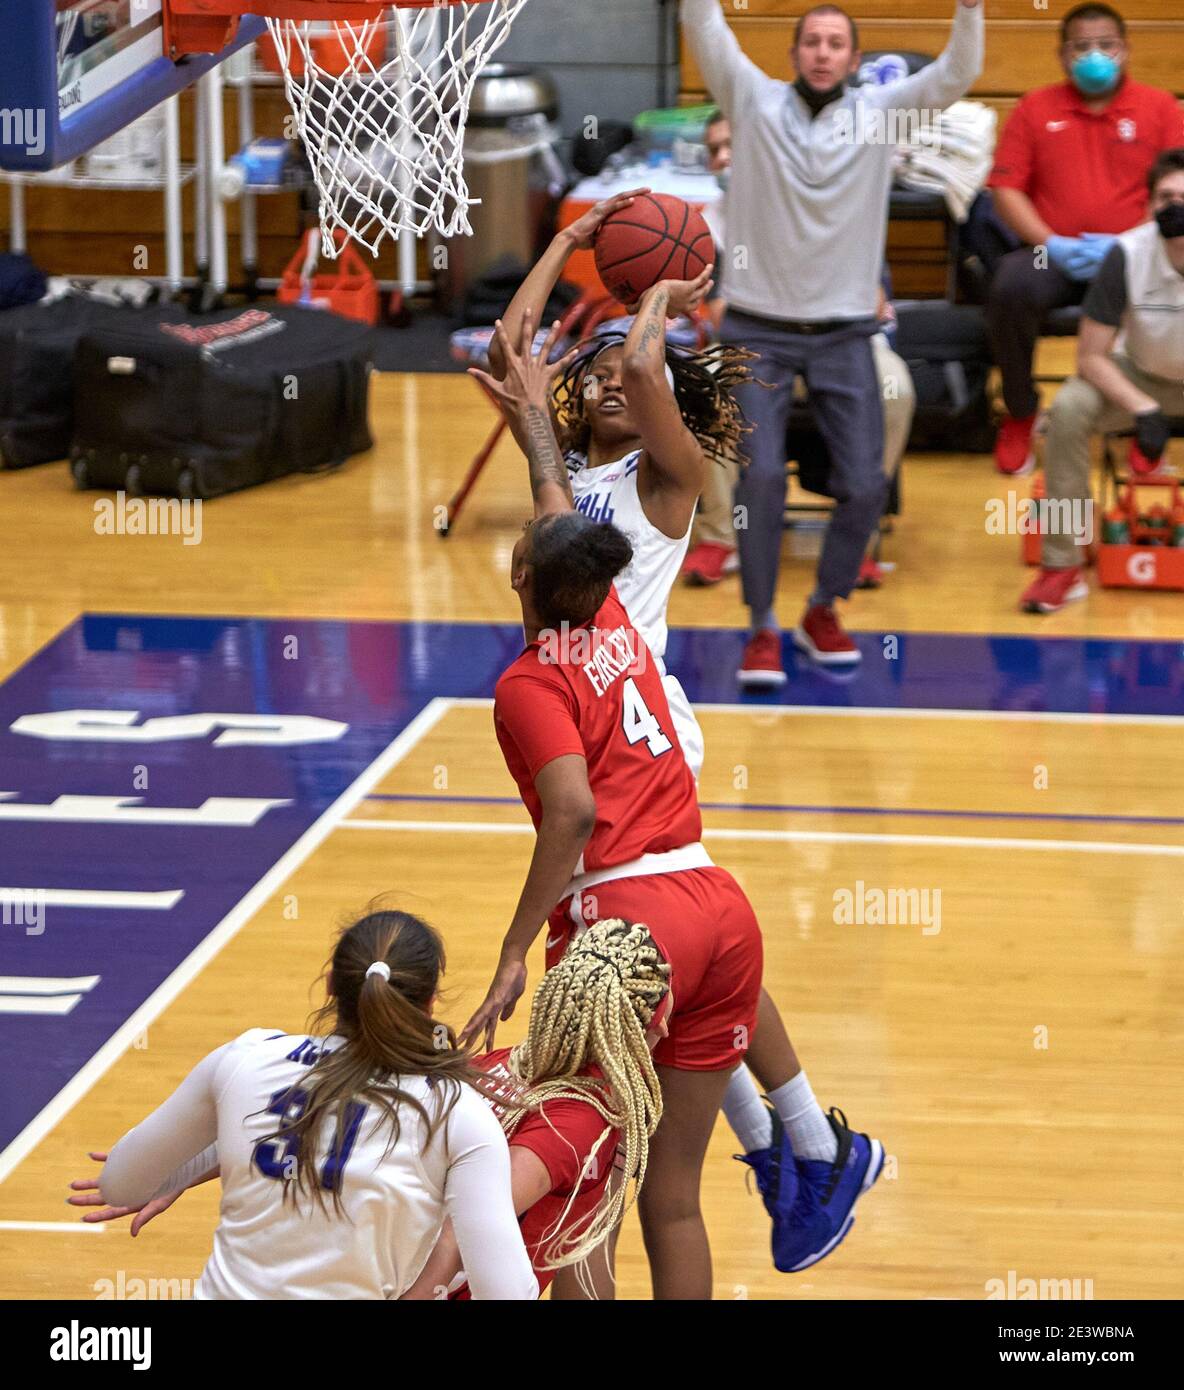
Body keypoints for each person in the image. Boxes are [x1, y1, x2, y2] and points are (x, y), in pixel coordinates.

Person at [475, 311, 885, 1287]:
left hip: (626, 930)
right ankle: (806, 1152)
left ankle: (805, 1150)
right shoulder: (614, 615)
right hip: (714, 905)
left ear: (526, 576)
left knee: (584, 1189)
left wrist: (512, 948)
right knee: (674, 1191)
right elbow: (549, 492)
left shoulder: (531, 681)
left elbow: (571, 812)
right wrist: (538, 412)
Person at [72, 913, 674, 1303]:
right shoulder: (459, 1107)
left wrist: (191, 1163)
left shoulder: (247, 1057)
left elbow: (123, 1178)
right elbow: (505, 1286)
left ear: (332, 987)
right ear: (432, 1000)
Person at [681, 0, 983, 683]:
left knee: (864, 484)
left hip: (845, 331)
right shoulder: (751, 99)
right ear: (794, 55)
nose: (821, 51)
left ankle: (823, 607)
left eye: (835, 42)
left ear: (852, 58)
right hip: (756, 328)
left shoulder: (882, 113)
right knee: (758, 479)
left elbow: (957, 73)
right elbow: (703, 24)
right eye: (811, 41)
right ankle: (761, 625)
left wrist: (969, 8)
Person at [681, 108, 915, 591]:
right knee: (703, 377)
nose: (722, 160)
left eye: (733, 147)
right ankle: (720, 535)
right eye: (714, 151)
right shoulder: (715, 226)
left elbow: (871, 302)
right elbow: (724, 315)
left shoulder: (834, 205)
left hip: (841, 346)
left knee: (896, 387)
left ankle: (858, 533)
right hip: (759, 350)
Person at [987, 3, 1184, 476]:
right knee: (1011, 284)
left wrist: (1130, 242)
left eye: (1106, 45)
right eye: (1082, 47)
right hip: (1053, 254)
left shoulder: (1161, 108)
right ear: (1063, 55)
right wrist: (1052, 243)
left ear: (1125, 50)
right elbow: (1006, 189)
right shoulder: (1034, 108)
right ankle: (1019, 410)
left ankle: (1147, 423)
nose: (1095, 54)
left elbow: (1177, 187)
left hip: (1140, 253)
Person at [1021, 149, 1184, 614]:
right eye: (1165, 198)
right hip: (1137, 375)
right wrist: (1142, 408)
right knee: (1069, 411)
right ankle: (1060, 565)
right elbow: (1090, 357)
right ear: (1149, 205)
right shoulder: (1126, 254)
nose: (1175, 207)